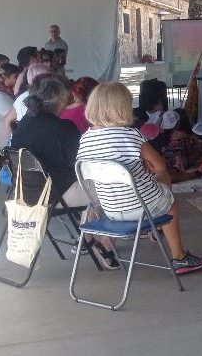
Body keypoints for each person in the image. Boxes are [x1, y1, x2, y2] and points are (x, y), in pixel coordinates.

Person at [77, 82, 202, 274]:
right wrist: (148, 169)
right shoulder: (130, 134)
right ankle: (179, 256)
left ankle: (129, 239)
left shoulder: (86, 139)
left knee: (142, 189)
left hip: (110, 209)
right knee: (168, 197)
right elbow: (161, 167)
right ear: (123, 107)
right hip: (141, 207)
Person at [10, 75, 120, 270]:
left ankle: (86, 238)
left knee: (93, 187)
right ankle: (102, 242)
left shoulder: (25, 122)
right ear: (61, 100)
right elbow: (84, 166)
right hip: (55, 194)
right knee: (108, 187)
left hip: (25, 193)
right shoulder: (63, 128)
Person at [160, 109, 202, 183]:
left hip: (167, 163)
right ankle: (194, 174)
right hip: (183, 163)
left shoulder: (160, 135)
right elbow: (189, 151)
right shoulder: (183, 134)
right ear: (178, 123)